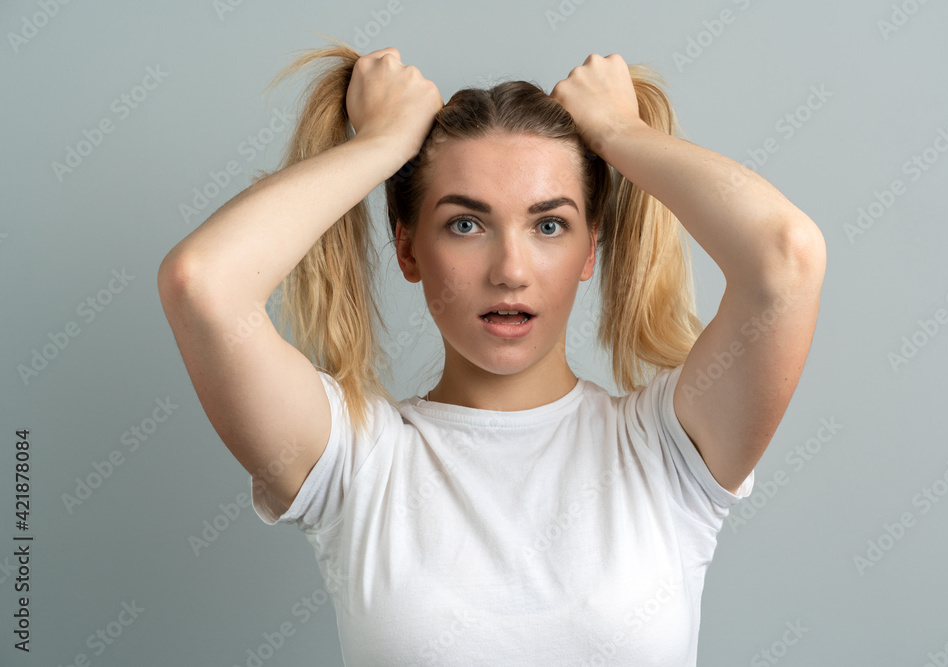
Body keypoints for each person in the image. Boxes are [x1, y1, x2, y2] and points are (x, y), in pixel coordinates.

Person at [158, 42, 825, 666]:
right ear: (409, 248)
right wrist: (384, 143)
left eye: (549, 224)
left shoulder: (669, 451)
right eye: (465, 223)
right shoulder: (354, 462)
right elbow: (203, 285)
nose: (510, 269)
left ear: (591, 247)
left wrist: (622, 135)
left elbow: (787, 258)